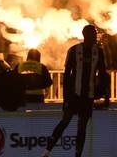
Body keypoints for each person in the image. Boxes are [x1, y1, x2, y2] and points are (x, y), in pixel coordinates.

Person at [42, 25, 109, 157]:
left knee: (82, 127)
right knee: (65, 122)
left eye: (95, 34)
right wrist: (66, 98)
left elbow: (103, 73)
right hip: (74, 95)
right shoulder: (73, 50)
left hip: (88, 96)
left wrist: (105, 95)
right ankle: (46, 151)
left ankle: (77, 155)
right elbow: (66, 75)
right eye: (93, 34)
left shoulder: (99, 52)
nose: (95, 37)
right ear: (86, 35)